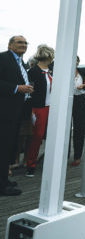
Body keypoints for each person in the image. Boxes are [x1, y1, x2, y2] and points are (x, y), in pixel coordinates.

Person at [0, 36, 33, 196]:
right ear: (10, 44)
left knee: (9, 147)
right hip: (4, 111)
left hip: (17, 111)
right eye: (20, 42)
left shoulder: (21, 62)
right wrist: (16, 88)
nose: (24, 45)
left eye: (26, 43)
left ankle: (4, 180)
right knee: (3, 147)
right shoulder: (2, 58)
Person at [23, 45, 54, 178]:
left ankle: (48, 161)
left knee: (51, 136)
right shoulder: (33, 72)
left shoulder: (52, 71)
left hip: (51, 107)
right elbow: (28, 94)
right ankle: (31, 164)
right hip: (38, 108)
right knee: (37, 136)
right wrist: (30, 111)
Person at [70, 56, 85, 166]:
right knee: (65, 130)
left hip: (80, 101)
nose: (75, 62)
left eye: (76, 60)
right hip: (67, 101)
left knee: (80, 128)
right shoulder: (64, 71)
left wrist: (84, 85)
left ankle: (77, 156)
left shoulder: (83, 70)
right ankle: (65, 154)